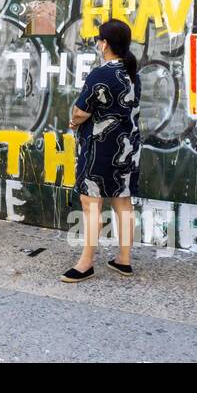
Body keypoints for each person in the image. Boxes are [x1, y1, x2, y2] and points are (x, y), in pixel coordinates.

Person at [62, 18, 141, 282]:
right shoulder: (132, 74)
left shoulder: (101, 73)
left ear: (105, 43)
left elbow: (81, 111)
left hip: (99, 147)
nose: (98, 43)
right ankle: (124, 260)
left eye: (99, 39)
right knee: (122, 200)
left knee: (90, 202)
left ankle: (86, 263)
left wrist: (74, 122)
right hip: (127, 146)